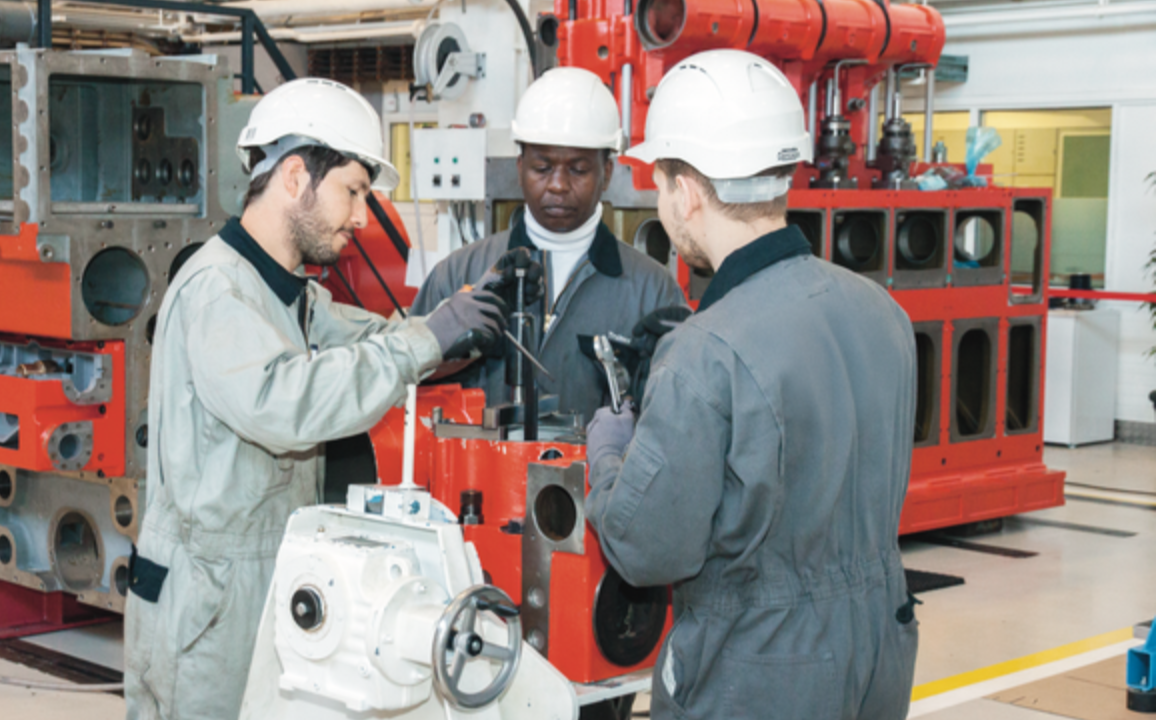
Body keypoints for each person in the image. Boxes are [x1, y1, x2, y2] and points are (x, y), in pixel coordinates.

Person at [122, 78, 507, 720]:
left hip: (269, 570)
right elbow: (287, 404)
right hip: (209, 592)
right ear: (297, 176)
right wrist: (424, 342)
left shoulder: (291, 294)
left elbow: (371, 340)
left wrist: (450, 328)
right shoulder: (219, 291)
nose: (361, 217)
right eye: (353, 191)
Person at [584, 50, 919, 719]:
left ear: (686, 190)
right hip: (881, 648)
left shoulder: (704, 351)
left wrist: (610, 451)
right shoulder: (883, 311)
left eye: (659, 182)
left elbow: (649, 547)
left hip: (760, 672)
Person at [409, 67, 687, 417]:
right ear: (520, 166)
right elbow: (408, 390)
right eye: (542, 168)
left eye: (578, 170)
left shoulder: (652, 292)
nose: (557, 184)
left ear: (607, 174)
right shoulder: (457, 275)